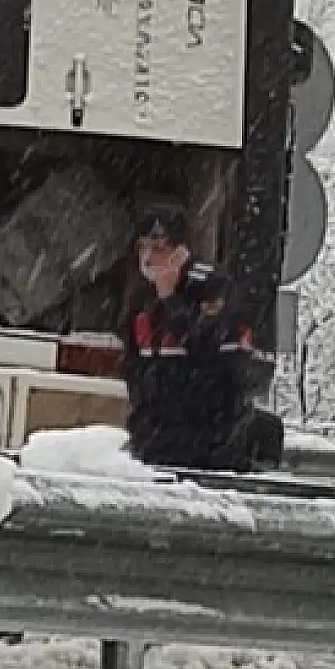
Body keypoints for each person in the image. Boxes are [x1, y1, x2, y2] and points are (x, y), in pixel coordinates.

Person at [119, 201, 276, 471]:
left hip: (207, 433)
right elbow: (133, 363)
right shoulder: (140, 297)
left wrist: (170, 300)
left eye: (158, 249)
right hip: (157, 431)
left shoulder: (210, 287)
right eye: (143, 248)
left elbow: (209, 349)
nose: (148, 258)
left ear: (180, 252)